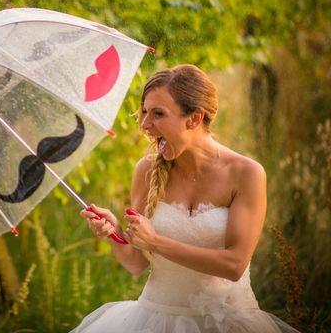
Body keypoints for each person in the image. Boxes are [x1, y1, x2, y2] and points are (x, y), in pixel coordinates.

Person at [73, 64, 298, 333]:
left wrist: (156, 241)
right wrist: (114, 232)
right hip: (154, 320)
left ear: (194, 119)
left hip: (229, 323)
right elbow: (136, 263)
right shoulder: (145, 170)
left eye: (157, 114)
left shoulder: (246, 174)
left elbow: (234, 265)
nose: (144, 125)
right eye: (144, 112)